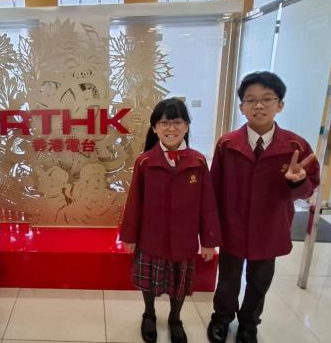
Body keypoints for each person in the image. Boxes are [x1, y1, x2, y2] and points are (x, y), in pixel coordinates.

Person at [206, 71, 320, 343]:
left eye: (267, 99)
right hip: (233, 226)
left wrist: (296, 181)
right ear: (242, 107)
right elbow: (214, 189)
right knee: (228, 279)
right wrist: (211, 230)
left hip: (270, 227)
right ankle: (222, 317)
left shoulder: (295, 146)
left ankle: (249, 324)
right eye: (251, 100)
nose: (259, 105)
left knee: (260, 281)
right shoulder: (227, 144)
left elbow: (309, 189)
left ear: (280, 104)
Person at [120, 98, 221, 343]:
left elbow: (208, 204)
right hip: (151, 238)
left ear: (187, 126)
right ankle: (149, 314)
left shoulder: (198, 161)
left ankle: (175, 318)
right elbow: (134, 202)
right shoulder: (144, 162)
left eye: (177, 122)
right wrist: (130, 237)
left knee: (180, 284)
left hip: (184, 240)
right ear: (155, 128)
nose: (171, 128)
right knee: (149, 283)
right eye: (164, 123)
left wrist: (209, 241)